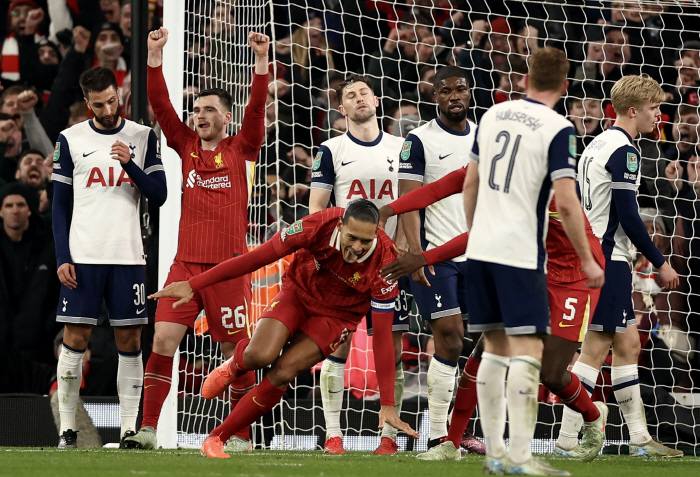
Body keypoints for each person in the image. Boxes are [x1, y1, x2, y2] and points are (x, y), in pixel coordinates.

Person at [150, 200, 419, 458]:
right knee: (260, 356)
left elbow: (382, 336)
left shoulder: (386, 261)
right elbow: (256, 258)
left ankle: (217, 437)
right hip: (298, 294)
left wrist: (387, 403)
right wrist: (195, 284)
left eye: (366, 241)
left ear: (377, 234)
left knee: (283, 373)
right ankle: (236, 364)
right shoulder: (317, 224)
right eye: (352, 238)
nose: (358, 247)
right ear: (340, 226)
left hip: (338, 317)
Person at [123, 28, 268, 452]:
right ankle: (148, 429)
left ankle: (240, 433)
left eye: (208, 110)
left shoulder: (243, 147)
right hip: (185, 265)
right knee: (163, 340)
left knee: (236, 352)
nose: (198, 115)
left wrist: (261, 63)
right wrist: (153, 55)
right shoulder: (185, 145)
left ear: (227, 116)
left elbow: (258, 107)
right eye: (197, 109)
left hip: (229, 267)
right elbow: (161, 105)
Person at [462, 47, 604, 475]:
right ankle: (520, 458)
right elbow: (566, 198)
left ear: (524, 79)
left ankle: (495, 455)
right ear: (564, 86)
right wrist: (588, 260)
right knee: (525, 352)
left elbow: (470, 184)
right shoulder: (558, 127)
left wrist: (476, 234)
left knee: (493, 350)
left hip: (480, 249)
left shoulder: (492, 116)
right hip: (520, 252)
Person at [560, 74, 683, 458]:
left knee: (627, 344)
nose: (658, 115)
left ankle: (640, 438)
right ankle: (566, 440)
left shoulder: (596, 143)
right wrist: (661, 262)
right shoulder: (625, 152)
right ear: (633, 110)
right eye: (653, 108)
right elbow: (629, 214)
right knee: (595, 351)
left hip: (598, 254)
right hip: (608, 258)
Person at [52, 66, 167, 449]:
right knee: (75, 338)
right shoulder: (70, 139)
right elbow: (59, 206)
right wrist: (62, 256)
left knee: (131, 340)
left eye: (112, 100)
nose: (107, 108)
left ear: (119, 95)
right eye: (98, 104)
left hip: (127, 256)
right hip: (83, 256)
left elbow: (160, 193)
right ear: (87, 104)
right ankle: (67, 430)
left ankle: (129, 429)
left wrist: (129, 163)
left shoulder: (142, 136)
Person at [308, 73, 408, 455]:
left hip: (389, 263)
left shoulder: (403, 147)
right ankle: (334, 434)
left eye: (364, 92)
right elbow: (317, 208)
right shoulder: (331, 149)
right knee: (339, 345)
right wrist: (330, 253)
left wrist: (403, 247)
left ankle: (389, 436)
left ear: (377, 101)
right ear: (342, 109)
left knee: (393, 348)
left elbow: (412, 202)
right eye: (350, 95)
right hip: (345, 263)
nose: (359, 98)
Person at [394, 64, 484, 456]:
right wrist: (417, 254)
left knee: (482, 343)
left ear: (470, 92)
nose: (454, 96)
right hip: (438, 255)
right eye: (445, 91)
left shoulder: (487, 138)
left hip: (483, 255)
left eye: (460, 89)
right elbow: (410, 202)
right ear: (435, 97)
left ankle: (460, 428)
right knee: (448, 336)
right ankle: (437, 434)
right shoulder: (418, 140)